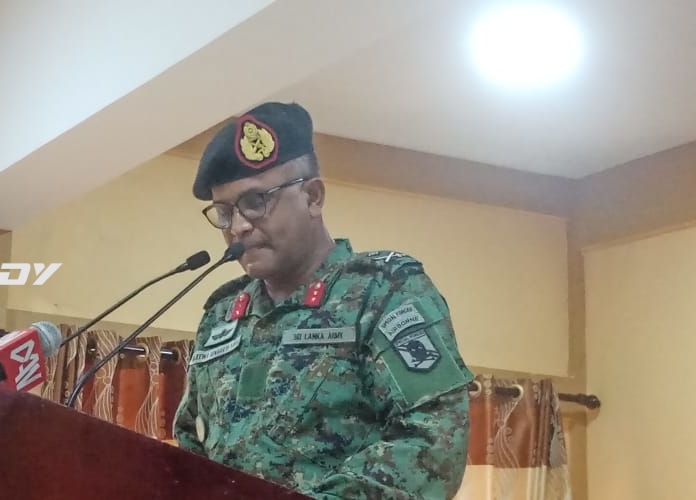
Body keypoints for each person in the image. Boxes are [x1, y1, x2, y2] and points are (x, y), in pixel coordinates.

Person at [173, 101, 475, 499]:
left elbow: (434, 442)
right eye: (225, 212)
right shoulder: (222, 314)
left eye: (256, 202)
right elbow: (191, 442)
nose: (239, 226)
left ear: (312, 197)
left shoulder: (382, 291)